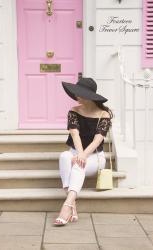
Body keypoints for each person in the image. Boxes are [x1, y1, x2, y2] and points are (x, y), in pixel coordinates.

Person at [53, 77, 113, 226]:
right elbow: (75, 134)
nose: (76, 96)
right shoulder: (73, 111)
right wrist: (80, 154)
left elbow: (98, 140)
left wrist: (83, 156)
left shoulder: (103, 115)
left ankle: (66, 206)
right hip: (77, 152)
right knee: (65, 156)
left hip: (96, 158)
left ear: (88, 96)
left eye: (79, 93)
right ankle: (71, 204)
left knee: (79, 165)